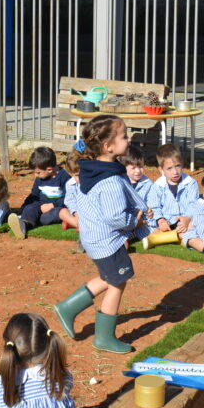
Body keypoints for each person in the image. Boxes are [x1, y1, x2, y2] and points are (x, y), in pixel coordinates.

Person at [52, 116, 150, 354]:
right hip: (106, 240)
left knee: (110, 276)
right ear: (108, 147)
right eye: (124, 135)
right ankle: (104, 337)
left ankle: (67, 307)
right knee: (118, 282)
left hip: (94, 236)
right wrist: (133, 220)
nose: (128, 139)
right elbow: (115, 216)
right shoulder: (110, 181)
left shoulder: (91, 168)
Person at [142, 143, 198, 249]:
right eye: (169, 168)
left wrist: (187, 218)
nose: (175, 172)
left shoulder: (190, 183)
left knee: (195, 225)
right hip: (167, 222)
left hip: (185, 221)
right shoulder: (157, 186)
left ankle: (168, 238)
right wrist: (161, 220)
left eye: (177, 166)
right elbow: (154, 207)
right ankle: (179, 238)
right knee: (153, 229)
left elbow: (193, 204)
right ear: (161, 170)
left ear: (182, 164)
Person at [7, 147, 71, 239]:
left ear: (49, 169)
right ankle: (23, 225)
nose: (35, 175)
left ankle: (25, 221)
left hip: (56, 206)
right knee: (30, 208)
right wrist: (23, 207)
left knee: (56, 213)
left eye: (38, 172)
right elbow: (34, 195)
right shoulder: (39, 178)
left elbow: (69, 198)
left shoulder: (63, 177)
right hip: (40, 204)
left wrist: (52, 205)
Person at [119, 145, 155, 232]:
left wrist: (150, 211)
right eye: (133, 168)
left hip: (142, 222)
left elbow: (151, 204)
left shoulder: (148, 184)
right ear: (124, 167)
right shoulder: (120, 182)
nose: (138, 171)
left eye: (141, 167)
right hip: (124, 220)